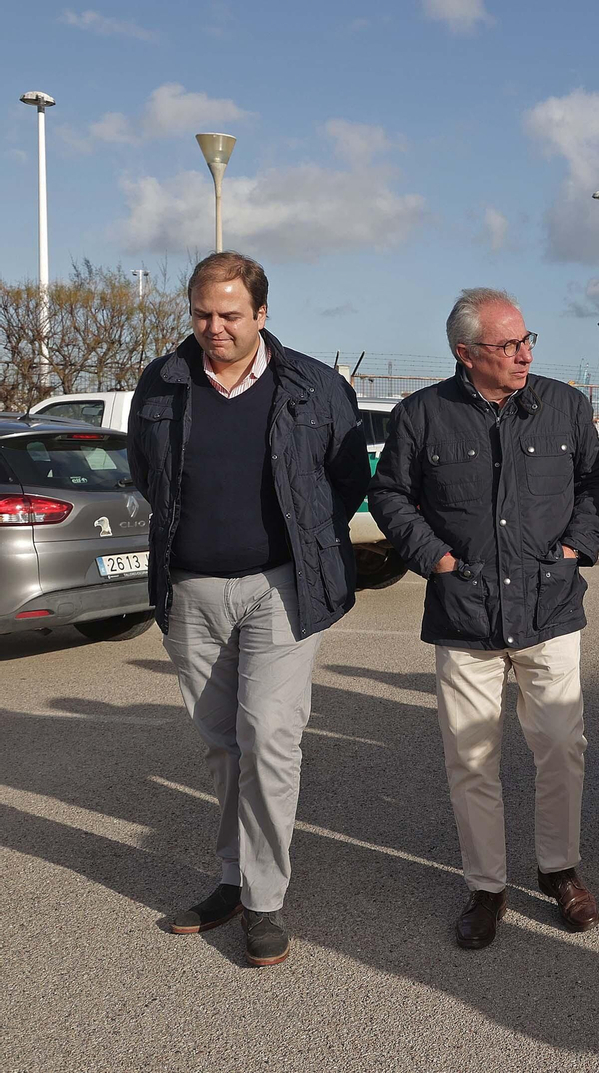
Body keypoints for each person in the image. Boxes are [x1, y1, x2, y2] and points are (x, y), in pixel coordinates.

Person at [128, 251, 369, 966]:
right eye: (203, 313)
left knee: (268, 736)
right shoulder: (164, 383)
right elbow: (150, 471)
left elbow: (347, 479)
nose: (215, 327)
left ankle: (264, 901)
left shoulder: (313, 386)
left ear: (262, 313)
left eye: (230, 314)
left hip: (279, 588)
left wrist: (301, 537)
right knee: (222, 743)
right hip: (191, 591)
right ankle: (231, 879)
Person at [368, 288, 599, 949]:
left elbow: (595, 483)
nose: (524, 353)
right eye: (508, 345)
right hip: (465, 610)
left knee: (562, 745)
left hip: (550, 605)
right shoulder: (422, 415)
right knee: (471, 758)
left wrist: (572, 549)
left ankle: (560, 869)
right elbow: (389, 492)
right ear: (465, 353)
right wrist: (436, 558)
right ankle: (487, 886)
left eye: (527, 340)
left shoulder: (563, 405)